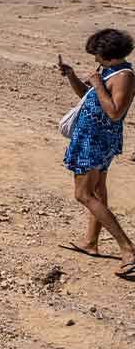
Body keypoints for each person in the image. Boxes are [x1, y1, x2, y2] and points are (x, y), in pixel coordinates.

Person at [58, 29, 135, 278]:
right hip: (92, 139)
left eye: (98, 55)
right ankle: (91, 243)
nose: (95, 60)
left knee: (83, 194)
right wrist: (72, 77)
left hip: (96, 141)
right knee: (98, 191)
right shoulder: (109, 71)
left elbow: (115, 112)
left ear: (110, 55)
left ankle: (129, 249)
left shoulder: (124, 76)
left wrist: (99, 84)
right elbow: (90, 98)